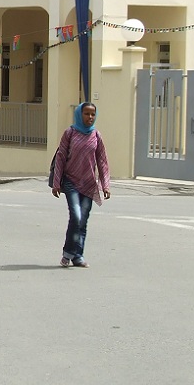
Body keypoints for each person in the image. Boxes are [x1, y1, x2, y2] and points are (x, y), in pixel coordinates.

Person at [51, 102, 110, 269]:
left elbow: (102, 161)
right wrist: (57, 183)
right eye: (86, 114)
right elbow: (61, 158)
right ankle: (67, 253)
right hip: (71, 181)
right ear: (79, 114)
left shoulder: (96, 136)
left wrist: (105, 185)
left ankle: (78, 255)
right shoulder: (70, 133)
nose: (90, 117)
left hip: (89, 183)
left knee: (83, 221)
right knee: (76, 216)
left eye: (93, 114)